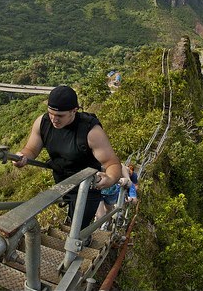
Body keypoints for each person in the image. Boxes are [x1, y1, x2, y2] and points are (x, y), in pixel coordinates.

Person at [13, 85, 122, 232]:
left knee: (78, 228)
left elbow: (112, 163)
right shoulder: (43, 123)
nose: (54, 119)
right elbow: (31, 149)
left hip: (88, 188)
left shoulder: (91, 131)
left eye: (60, 116)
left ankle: (81, 241)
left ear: (74, 111)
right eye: (51, 113)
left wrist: (109, 178)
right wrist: (23, 156)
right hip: (63, 184)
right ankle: (80, 237)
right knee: (72, 220)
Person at [95, 165, 132, 230]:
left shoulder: (114, 163)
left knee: (108, 210)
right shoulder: (96, 161)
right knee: (100, 215)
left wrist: (126, 180)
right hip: (97, 191)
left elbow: (122, 167)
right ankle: (98, 229)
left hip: (111, 192)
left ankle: (107, 223)